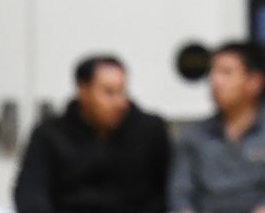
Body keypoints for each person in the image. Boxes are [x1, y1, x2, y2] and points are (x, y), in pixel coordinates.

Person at [13, 55, 170, 213]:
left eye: (122, 91)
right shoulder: (49, 134)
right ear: (83, 90)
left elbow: (166, 191)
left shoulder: (149, 131)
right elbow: (30, 193)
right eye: (109, 92)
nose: (119, 102)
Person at [170, 41, 265, 213]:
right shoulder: (193, 134)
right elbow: (180, 193)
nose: (215, 81)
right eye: (212, 72)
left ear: (254, 82)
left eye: (226, 73)